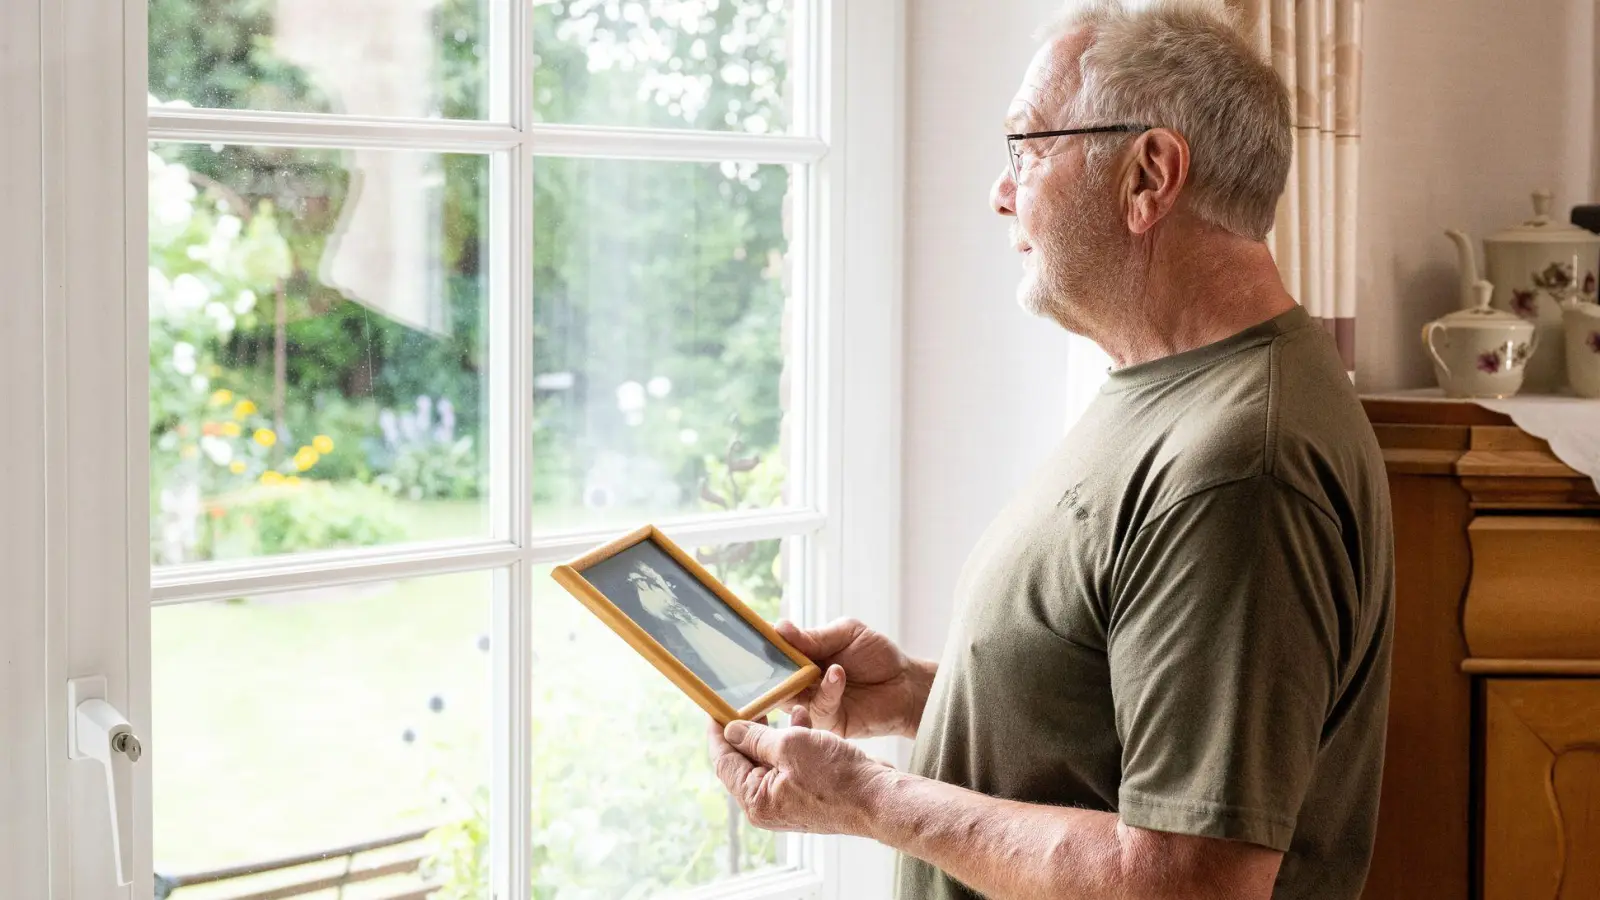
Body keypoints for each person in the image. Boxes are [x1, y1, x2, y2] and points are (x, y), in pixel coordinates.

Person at [707, 1, 1395, 898]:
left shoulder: (1238, 467)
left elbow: (1191, 881)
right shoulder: (1170, 390)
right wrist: (925, 690)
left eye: (1027, 149)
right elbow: (1125, 707)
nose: (1001, 191)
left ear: (1149, 175)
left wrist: (868, 798)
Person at [629, 561, 782, 702]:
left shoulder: (669, 579)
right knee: (711, 651)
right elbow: (660, 615)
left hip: (701, 617)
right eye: (641, 575)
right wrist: (678, 616)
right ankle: (742, 684)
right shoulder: (648, 596)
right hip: (686, 626)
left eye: (646, 570)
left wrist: (711, 612)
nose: (646, 575)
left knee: (726, 642)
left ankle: (757, 671)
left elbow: (694, 596)